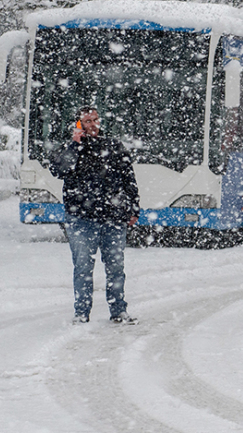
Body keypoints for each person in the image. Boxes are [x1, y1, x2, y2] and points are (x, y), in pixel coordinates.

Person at [49, 106, 140, 325]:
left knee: (116, 267)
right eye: (87, 121)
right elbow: (60, 170)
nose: (93, 124)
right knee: (83, 267)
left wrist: (134, 207)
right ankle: (81, 313)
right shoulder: (69, 148)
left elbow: (129, 178)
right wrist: (75, 144)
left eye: (96, 120)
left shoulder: (114, 146)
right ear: (78, 124)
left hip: (114, 217)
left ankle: (119, 311)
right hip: (81, 218)